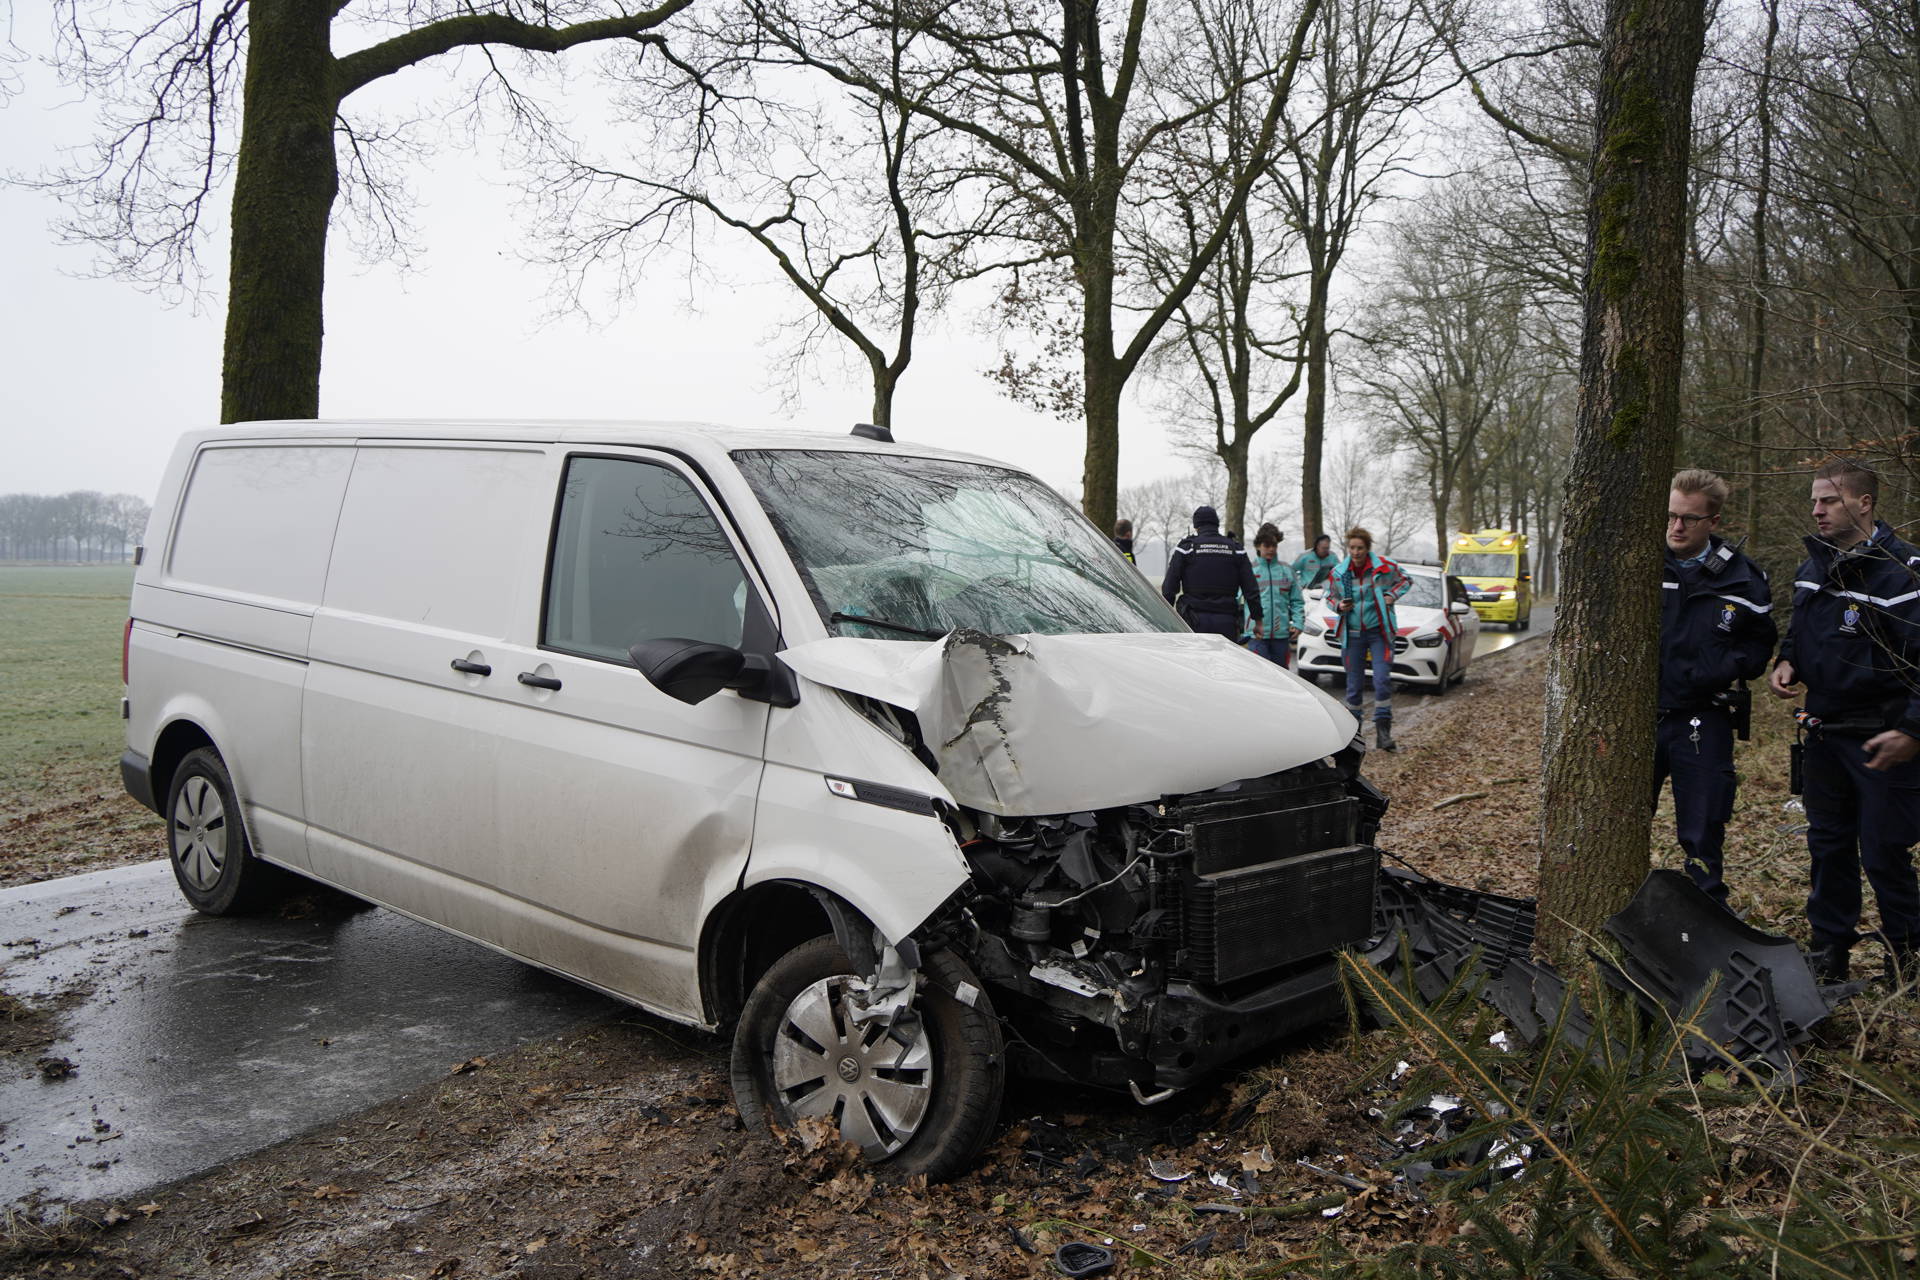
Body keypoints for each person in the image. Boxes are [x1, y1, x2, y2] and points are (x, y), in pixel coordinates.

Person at [1768, 459, 1920, 985]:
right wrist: (1787, 661)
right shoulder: (1813, 566)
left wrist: (1912, 731)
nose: (1816, 510)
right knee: (1828, 847)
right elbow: (1800, 632)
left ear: (1864, 502)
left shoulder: (1904, 572)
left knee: (1884, 850)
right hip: (1824, 733)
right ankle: (1829, 951)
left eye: (1828, 500)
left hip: (1883, 737)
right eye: (1814, 500)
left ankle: (1906, 959)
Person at [1655, 469, 1776, 907]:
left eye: (1688, 518)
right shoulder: (1641, 563)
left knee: (1702, 831)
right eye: (1670, 516)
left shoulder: (1742, 578)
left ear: (1714, 522)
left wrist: (1715, 668)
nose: (1676, 527)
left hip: (1702, 716)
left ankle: (1707, 926)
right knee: (1615, 823)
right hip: (1638, 716)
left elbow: (1761, 642)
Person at [1327, 528, 1410, 751]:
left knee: (1381, 681)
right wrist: (1339, 606)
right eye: (1352, 548)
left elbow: (1406, 580)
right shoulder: (1339, 572)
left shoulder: (1385, 567)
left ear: (1367, 548)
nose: (1356, 552)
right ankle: (1354, 738)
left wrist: (1391, 596)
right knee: (1353, 687)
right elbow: (1330, 597)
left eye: (1360, 548)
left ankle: (1384, 734)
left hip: (1379, 633)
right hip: (1352, 634)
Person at [1163, 505, 1262, 641]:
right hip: (1226, 623)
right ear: (1216, 524)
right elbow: (1251, 589)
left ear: (1196, 526)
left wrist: (1165, 618)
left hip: (1194, 622)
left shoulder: (1186, 548)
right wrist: (1258, 620)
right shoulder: (1235, 549)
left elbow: (1169, 587)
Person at [1244, 522, 1305, 667]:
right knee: (1260, 679)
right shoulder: (1249, 571)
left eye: (1274, 545)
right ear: (1258, 546)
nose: (1271, 549)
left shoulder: (1287, 570)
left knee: (1283, 680)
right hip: (1256, 636)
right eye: (1267, 545)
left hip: (1281, 636)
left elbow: (1297, 601)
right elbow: (1235, 600)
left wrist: (1298, 623)